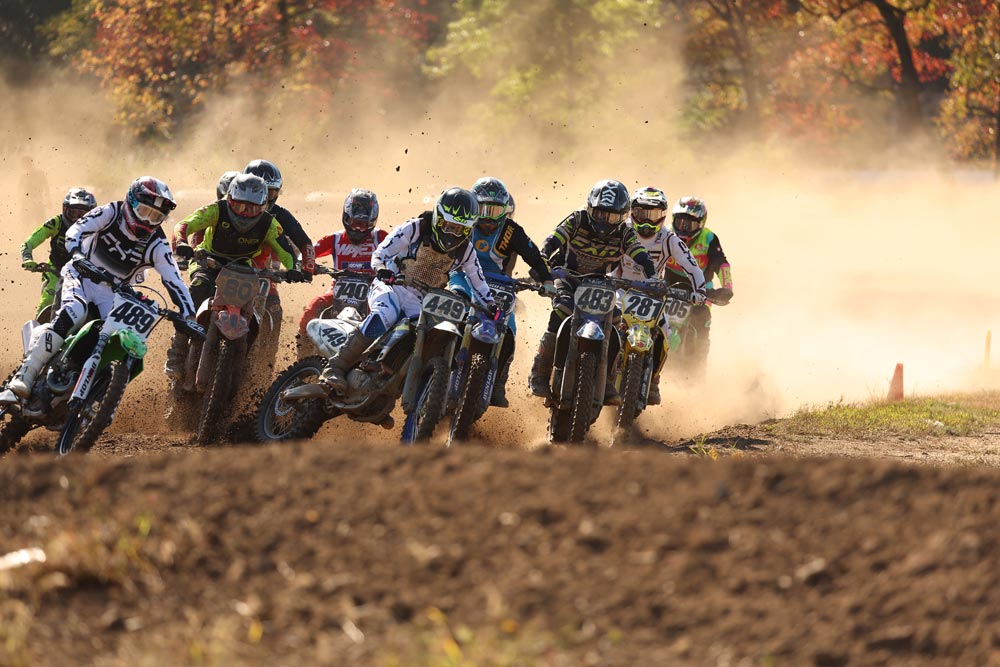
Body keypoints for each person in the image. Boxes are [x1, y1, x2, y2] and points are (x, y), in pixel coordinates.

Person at [0, 177, 194, 403]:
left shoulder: (157, 243)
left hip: (112, 292)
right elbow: (77, 230)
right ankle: (25, 375)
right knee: (74, 311)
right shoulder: (111, 212)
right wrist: (76, 254)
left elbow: (174, 280)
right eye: (144, 211)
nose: (148, 220)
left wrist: (189, 315)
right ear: (131, 203)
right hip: (81, 274)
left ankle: (90, 391)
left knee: (118, 334)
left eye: (156, 217)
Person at [320, 187, 499, 393]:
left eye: (459, 229)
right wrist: (381, 269)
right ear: (438, 218)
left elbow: (478, 282)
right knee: (386, 314)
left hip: (422, 300)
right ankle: (335, 367)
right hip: (391, 286)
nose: (452, 233)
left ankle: (388, 376)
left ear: (468, 230)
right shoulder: (415, 228)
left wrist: (491, 305)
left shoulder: (466, 250)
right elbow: (380, 253)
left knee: (424, 334)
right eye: (448, 226)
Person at [528, 179, 669, 405]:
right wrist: (542, 259)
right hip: (568, 276)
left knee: (616, 322)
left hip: (600, 283)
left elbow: (641, 255)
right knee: (562, 310)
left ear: (622, 216)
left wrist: (653, 277)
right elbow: (553, 239)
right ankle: (540, 371)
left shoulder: (625, 233)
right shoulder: (577, 219)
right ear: (590, 208)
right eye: (600, 214)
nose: (604, 221)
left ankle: (609, 380)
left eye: (611, 216)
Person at [166, 174, 298, 378]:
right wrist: (182, 243)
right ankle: (177, 351)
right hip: (208, 260)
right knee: (198, 288)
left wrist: (294, 269)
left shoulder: (269, 223)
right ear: (229, 200)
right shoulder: (216, 210)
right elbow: (183, 225)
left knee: (252, 309)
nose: (245, 213)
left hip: (243, 268)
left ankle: (245, 365)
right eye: (239, 206)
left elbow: (286, 251)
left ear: (263, 206)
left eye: (251, 209)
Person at [448, 176, 555, 407]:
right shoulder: (464, 224)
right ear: (474, 207)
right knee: (453, 309)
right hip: (463, 278)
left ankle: (498, 382)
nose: (488, 217)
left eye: (495, 210)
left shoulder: (512, 231)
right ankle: (436, 363)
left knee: (509, 329)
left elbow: (534, 256)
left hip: (499, 286)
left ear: (505, 211)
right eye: (483, 209)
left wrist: (547, 280)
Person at [613, 186, 706, 404]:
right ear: (631, 211)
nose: (646, 221)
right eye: (641, 213)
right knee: (608, 325)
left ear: (662, 215)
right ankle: (598, 368)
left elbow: (692, 267)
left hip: (653, 295)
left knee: (664, 333)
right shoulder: (621, 230)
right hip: (620, 290)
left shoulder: (668, 238)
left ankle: (653, 379)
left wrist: (700, 290)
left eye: (653, 214)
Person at [297, 188, 387, 355]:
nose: (358, 229)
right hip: (337, 290)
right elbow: (309, 253)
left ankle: (378, 355)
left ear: (372, 222)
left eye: (363, 225)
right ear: (346, 218)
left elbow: (397, 251)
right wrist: (305, 264)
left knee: (384, 317)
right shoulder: (335, 239)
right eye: (354, 223)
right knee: (314, 306)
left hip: (372, 292)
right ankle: (302, 354)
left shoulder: (380, 237)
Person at [664, 195, 733, 375]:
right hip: (667, 287)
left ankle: (696, 374)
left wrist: (727, 287)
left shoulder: (709, 238)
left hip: (701, 291)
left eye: (690, 224)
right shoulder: (666, 234)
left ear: (701, 224)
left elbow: (721, 264)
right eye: (680, 222)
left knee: (701, 325)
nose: (684, 228)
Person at [20, 187, 97, 319]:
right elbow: (29, 242)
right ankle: (38, 330)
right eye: (73, 213)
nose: (76, 218)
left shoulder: (97, 228)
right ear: (65, 209)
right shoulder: (56, 223)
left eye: (81, 214)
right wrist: (28, 259)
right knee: (47, 304)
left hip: (84, 275)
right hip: (55, 272)